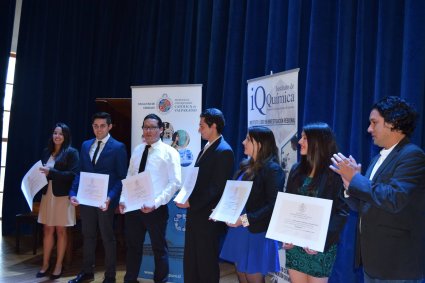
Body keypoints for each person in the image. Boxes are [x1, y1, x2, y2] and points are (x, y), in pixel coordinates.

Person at [330, 96, 425, 282]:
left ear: (394, 123)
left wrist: (356, 179)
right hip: (374, 261)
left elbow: (395, 198)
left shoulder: (413, 156)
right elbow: (364, 204)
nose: (369, 129)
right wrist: (350, 186)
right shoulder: (377, 159)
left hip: (397, 264)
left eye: (374, 123)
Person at [119, 114, 182, 283]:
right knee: (133, 247)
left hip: (156, 209)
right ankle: (130, 280)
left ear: (161, 130)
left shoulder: (170, 152)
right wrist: (123, 198)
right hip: (133, 207)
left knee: (159, 249)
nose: (148, 131)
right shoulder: (138, 149)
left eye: (153, 127)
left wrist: (155, 203)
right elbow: (130, 175)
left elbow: (175, 182)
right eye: (145, 127)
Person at [176, 108, 234, 283]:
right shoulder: (207, 148)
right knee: (192, 261)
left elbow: (216, 188)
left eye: (201, 125)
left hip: (208, 218)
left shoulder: (224, 151)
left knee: (206, 264)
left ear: (213, 125)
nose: (198, 129)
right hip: (196, 215)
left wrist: (191, 201)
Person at [285, 122, 348, 283]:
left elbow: (341, 213)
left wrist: (320, 241)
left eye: (305, 138)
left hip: (320, 246)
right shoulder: (296, 170)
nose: (299, 142)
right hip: (295, 245)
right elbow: (288, 205)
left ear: (318, 142)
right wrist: (285, 235)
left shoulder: (335, 173)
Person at [220, 126, 285, 283]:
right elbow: (235, 195)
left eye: (248, 139)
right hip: (238, 230)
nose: (243, 142)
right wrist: (221, 211)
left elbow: (273, 205)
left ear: (260, 144)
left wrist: (244, 220)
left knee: (253, 277)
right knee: (241, 275)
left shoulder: (272, 169)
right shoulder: (245, 165)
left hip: (255, 230)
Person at [68, 112, 128, 283]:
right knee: (88, 235)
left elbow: (121, 177)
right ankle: (87, 272)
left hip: (105, 202)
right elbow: (80, 173)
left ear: (109, 127)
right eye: (96, 125)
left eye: (102, 125)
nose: (99, 129)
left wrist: (110, 197)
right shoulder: (86, 145)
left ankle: (110, 276)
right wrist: (73, 193)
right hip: (87, 200)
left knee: (108, 237)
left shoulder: (118, 147)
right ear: (92, 127)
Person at [36, 122, 79, 280]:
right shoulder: (46, 152)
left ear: (65, 136)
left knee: (61, 231)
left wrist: (51, 172)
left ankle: (59, 264)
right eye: (55, 133)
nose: (57, 136)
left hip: (62, 196)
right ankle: (45, 264)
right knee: (47, 230)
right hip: (47, 195)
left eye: (60, 133)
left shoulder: (72, 152)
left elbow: (73, 175)